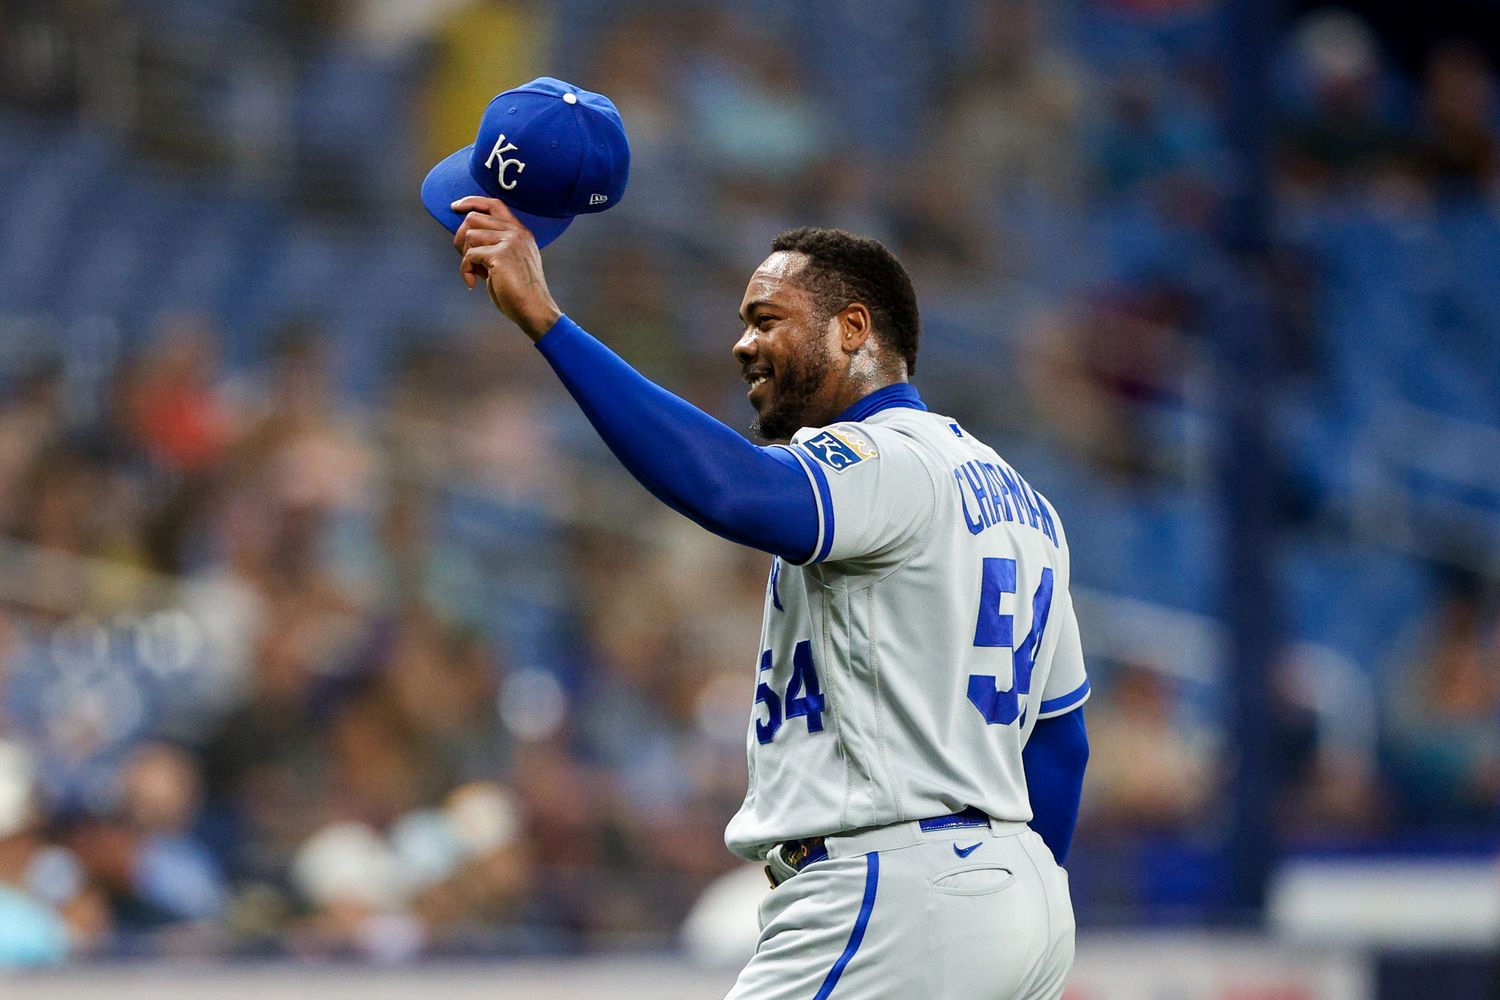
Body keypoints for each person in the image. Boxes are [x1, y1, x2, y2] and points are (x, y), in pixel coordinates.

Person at [448, 195, 1090, 1000]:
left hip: (893, 892)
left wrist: (548, 321)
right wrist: (1008, 891)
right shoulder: (1027, 504)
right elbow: (1060, 745)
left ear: (854, 330)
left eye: (767, 318)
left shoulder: (886, 458)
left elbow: (730, 490)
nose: (743, 344)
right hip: (1015, 900)